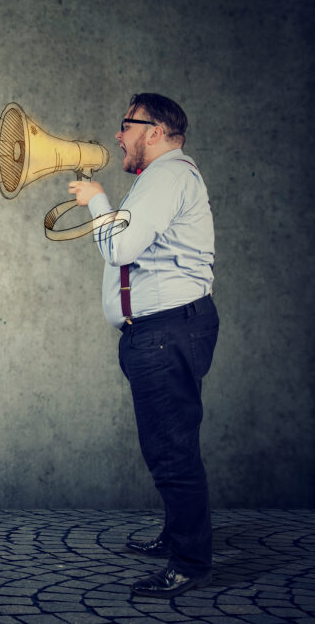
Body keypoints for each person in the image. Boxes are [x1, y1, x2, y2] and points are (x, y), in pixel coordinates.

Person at [69, 93, 218, 598]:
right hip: (162, 332)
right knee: (171, 444)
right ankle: (180, 535)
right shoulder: (159, 179)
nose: (117, 135)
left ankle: (191, 562)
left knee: (171, 451)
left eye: (126, 125)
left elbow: (121, 248)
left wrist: (94, 198)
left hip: (166, 332)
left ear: (153, 130)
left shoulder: (169, 175)